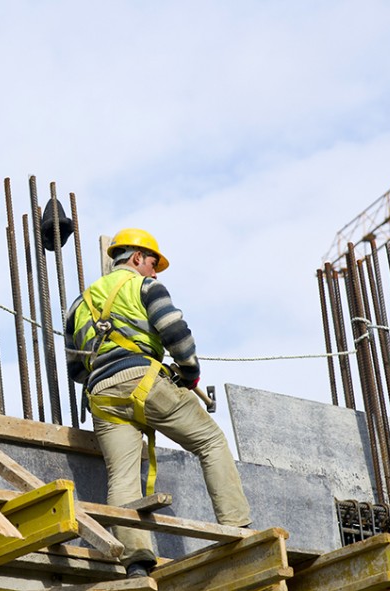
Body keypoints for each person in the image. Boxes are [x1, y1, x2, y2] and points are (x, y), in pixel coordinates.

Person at [64, 228, 251, 578]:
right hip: (145, 382)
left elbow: (75, 369)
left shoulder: (78, 304)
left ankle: (136, 562)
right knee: (211, 441)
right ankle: (238, 527)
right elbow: (175, 332)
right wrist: (190, 373)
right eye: (152, 263)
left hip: (102, 396)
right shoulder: (145, 287)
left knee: (122, 477)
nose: (154, 271)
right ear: (136, 258)